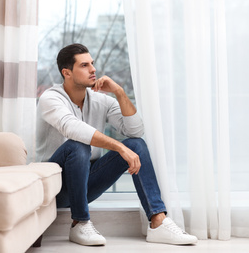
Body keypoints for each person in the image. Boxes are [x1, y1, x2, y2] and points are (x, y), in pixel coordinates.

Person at [36, 43, 198, 246]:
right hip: (57, 188)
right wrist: (120, 148)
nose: (93, 69)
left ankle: (158, 222)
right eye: (85, 65)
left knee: (136, 144)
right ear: (66, 72)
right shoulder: (50, 98)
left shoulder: (100, 101)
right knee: (79, 145)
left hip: (88, 181)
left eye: (92, 63)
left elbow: (135, 131)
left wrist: (119, 93)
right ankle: (80, 223)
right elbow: (73, 128)